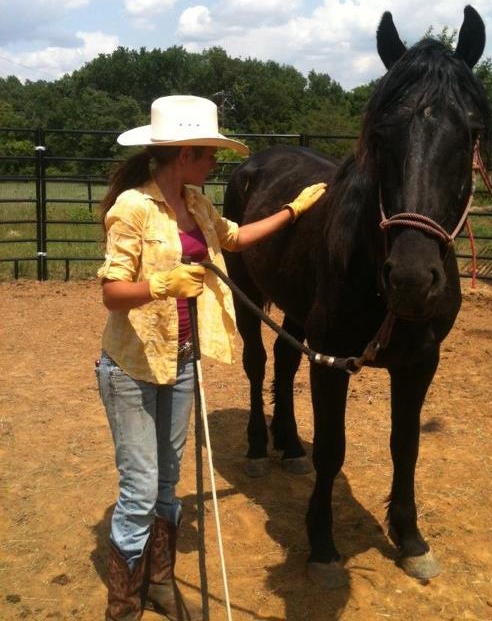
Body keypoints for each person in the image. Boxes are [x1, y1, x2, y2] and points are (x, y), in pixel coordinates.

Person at [96, 95, 326, 621]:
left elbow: (237, 239)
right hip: (131, 366)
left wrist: (293, 211)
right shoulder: (132, 207)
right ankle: (123, 605)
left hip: (180, 361)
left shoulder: (197, 204)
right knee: (137, 491)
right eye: (209, 155)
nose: (215, 164)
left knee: (167, 481)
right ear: (184, 154)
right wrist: (158, 285)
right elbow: (112, 292)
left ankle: (157, 581)